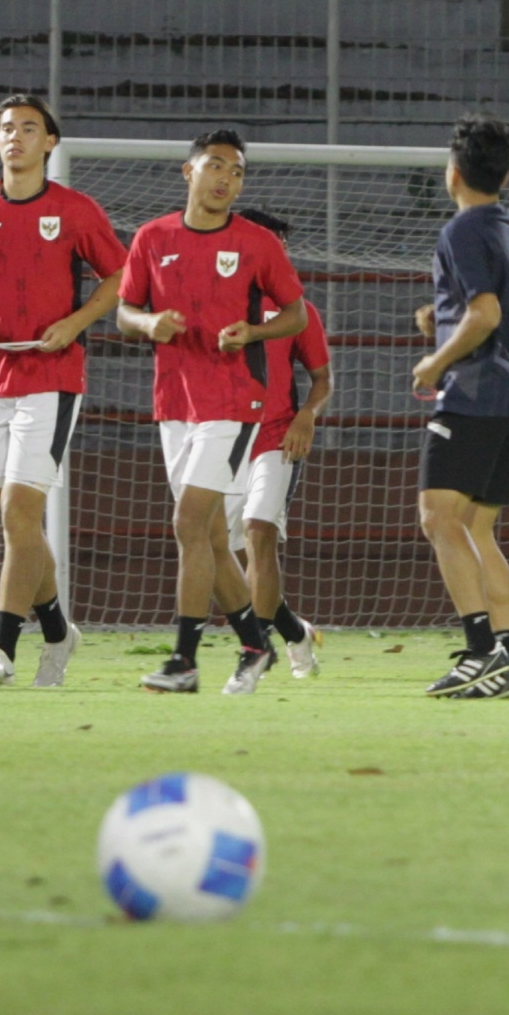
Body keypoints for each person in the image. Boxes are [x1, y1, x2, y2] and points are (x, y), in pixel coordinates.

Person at [0, 94, 126, 689]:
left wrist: (74, 322)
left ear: (49, 143)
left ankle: (2, 646)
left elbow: (119, 276)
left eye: (29, 128)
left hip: (53, 379)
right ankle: (59, 632)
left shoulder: (75, 210)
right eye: (7, 128)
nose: (15, 136)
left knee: (20, 515)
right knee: (21, 526)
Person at [117, 130, 311, 695]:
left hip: (234, 400)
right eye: (217, 166)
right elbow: (126, 309)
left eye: (238, 172)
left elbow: (296, 314)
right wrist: (149, 323)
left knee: (188, 523)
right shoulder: (152, 238)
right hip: (175, 402)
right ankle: (255, 645)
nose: (228, 179)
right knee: (209, 537)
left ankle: (183, 660)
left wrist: (253, 329)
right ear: (189, 172)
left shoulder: (256, 243)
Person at [411, 114, 509, 700]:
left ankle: (479, 648)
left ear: (454, 172)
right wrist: (441, 323)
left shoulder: (462, 229)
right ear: (506, 176)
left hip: (473, 392)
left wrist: (436, 360)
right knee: (477, 527)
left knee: (438, 517)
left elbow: (484, 313)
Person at [220, 206, 331, 678]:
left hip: (275, 436)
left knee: (259, 534)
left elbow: (323, 380)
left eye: (281, 247)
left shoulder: (299, 312)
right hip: (221, 437)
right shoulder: (216, 303)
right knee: (222, 550)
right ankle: (295, 632)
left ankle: (254, 653)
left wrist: (306, 415)